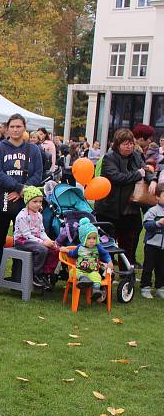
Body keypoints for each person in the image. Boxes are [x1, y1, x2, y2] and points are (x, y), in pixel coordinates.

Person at [0, 113, 43, 275]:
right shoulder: (0, 147)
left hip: (25, 202)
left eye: (18, 126)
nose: (15, 129)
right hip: (2, 199)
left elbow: (38, 174)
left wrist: (21, 191)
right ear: (7, 128)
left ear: (24, 128)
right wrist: (19, 187)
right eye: (12, 126)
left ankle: (18, 276)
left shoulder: (33, 149)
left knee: (24, 238)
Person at [95, 128, 155, 268]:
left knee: (130, 242)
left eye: (131, 144)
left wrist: (152, 179)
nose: (129, 147)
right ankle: (105, 274)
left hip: (131, 209)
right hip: (110, 209)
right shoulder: (109, 158)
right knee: (107, 243)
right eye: (125, 144)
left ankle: (127, 271)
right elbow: (117, 177)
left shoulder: (136, 156)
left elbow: (145, 170)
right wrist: (138, 174)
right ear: (117, 144)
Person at [13, 186, 58, 289]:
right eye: (35, 201)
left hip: (34, 240)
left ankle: (46, 273)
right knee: (42, 249)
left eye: (40, 201)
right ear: (27, 202)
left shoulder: (39, 215)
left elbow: (41, 231)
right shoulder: (22, 216)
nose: (38, 204)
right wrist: (43, 243)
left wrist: (48, 240)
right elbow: (27, 235)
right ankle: (35, 274)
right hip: (22, 241)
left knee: (54, 249)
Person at [66, 217, 113, 303]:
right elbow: (73, 254)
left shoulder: (97, 247)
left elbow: (105, 254)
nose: (92, 241)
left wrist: (109, 261)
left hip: (92, 271)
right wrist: (66, 251)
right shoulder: (79, 247)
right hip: (80, 270)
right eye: (89, 238)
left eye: (94, 238)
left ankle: (96, 291)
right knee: (73, 271)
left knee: (97, 276)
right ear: (83, 238)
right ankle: (83, 280)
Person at [140, 182, 164, 299]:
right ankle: (145, 287)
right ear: (158, 197)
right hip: (152, 245)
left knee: (161, 268)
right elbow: (147, 225)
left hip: (163, 247)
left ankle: (160, 288)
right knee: (148, 267)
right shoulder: (153, 211)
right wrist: (158, 223)